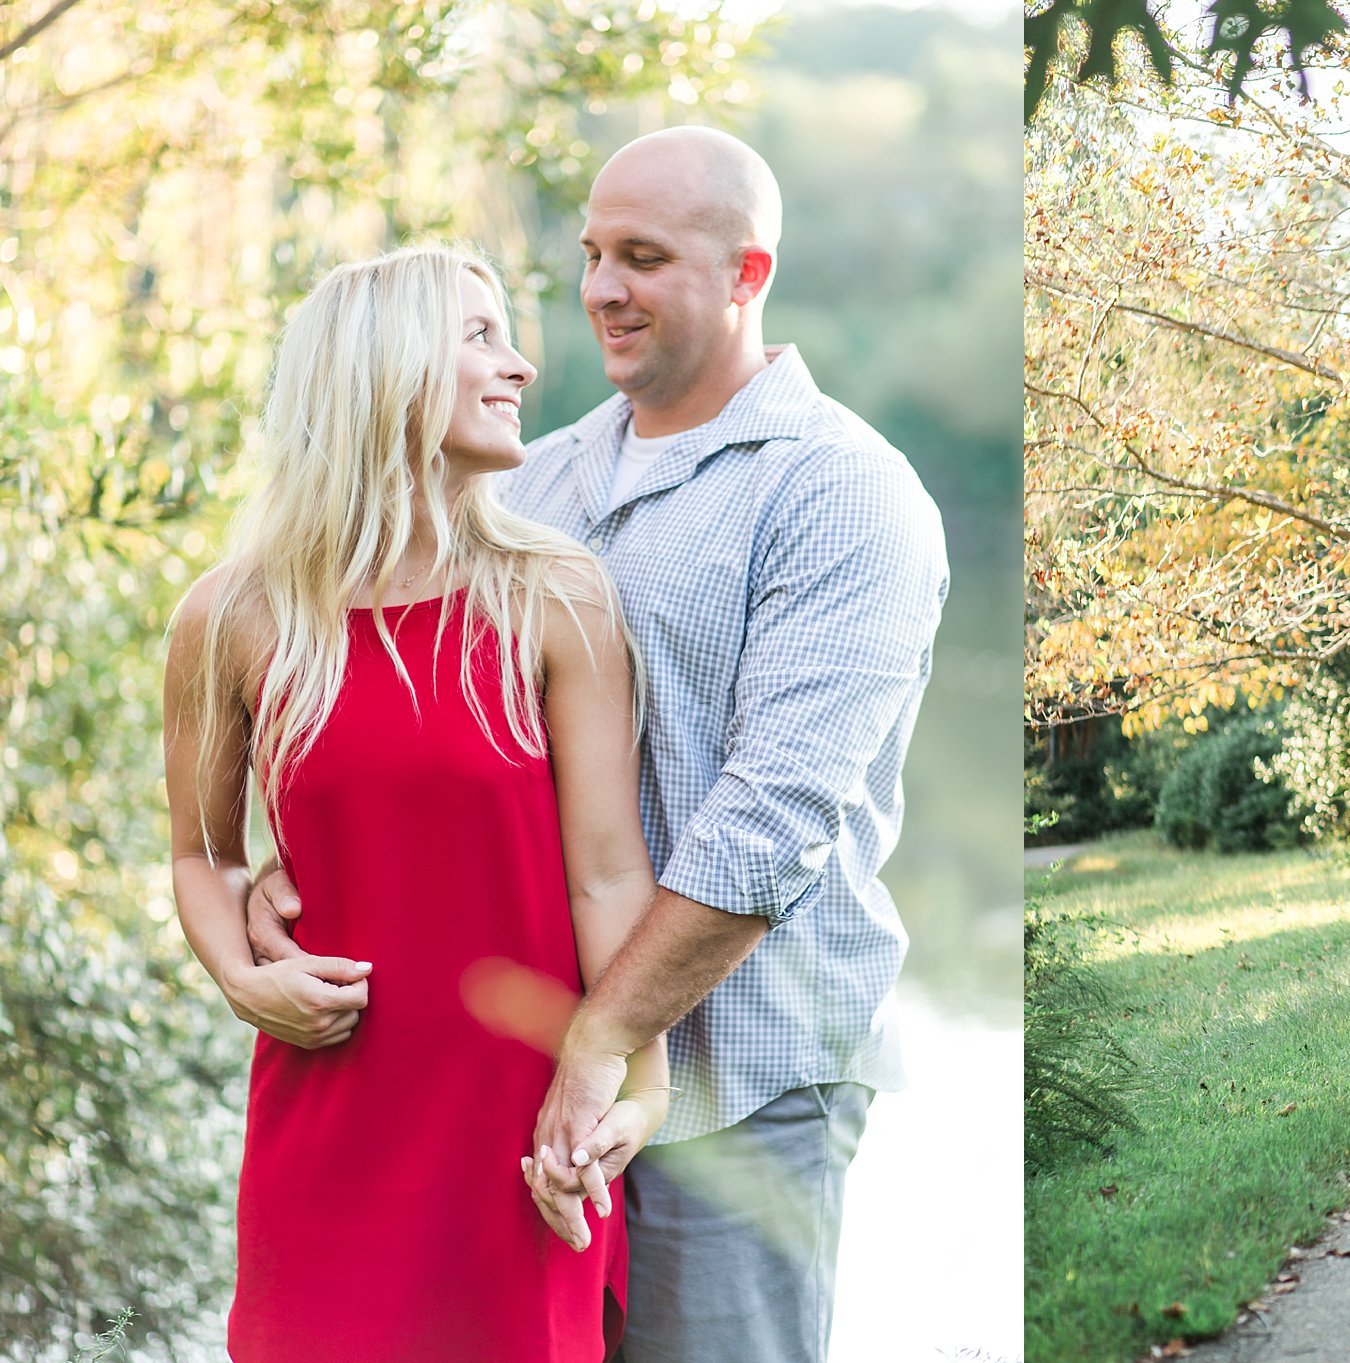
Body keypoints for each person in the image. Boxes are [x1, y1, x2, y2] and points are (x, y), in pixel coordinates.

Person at [244, 128, 949, 1362]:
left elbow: (770, 822)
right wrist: (287, 866)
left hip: (739, 1083)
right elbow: (403, 718)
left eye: (644, 257)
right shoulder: (537, 480)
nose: (602, 288)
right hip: (520, 1095)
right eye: (591, 254)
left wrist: (606, 1037)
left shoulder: (842, 491)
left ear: (745, 272)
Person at [164, 246, 670, 1360]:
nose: (522, 365)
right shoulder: (233, 617)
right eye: (480, 336)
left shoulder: (557, 595)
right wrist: (246, 977)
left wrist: (640, 1084)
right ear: (379, 367)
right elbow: (203, 856)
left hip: (522, 1144)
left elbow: (604, 870)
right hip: (327, 1121)